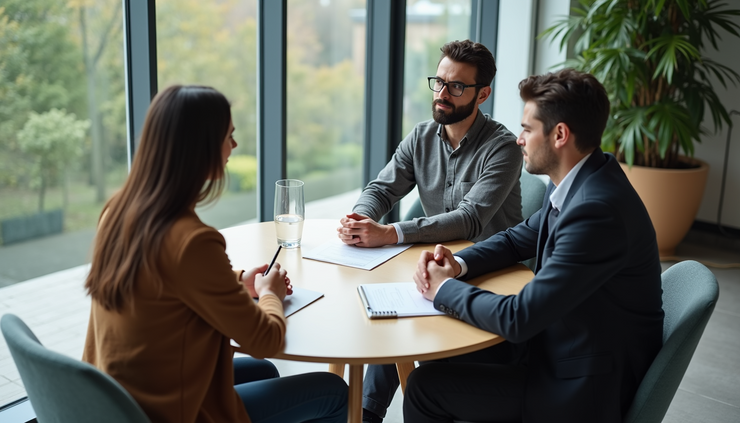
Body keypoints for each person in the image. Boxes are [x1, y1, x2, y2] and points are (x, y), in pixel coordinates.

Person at [405, 69, 664, 423]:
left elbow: (519, 318)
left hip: (578, 386)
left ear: (559, 135)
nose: (519, 140)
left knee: (424, 388)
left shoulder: (596, 211)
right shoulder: (587, 180)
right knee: (437, 350)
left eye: (527, 129)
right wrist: (457, 264)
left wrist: (444, 289)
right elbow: (515, 239)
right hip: (561, 347)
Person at [82, 85, 348, 423]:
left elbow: (170, 285)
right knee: (333, 391)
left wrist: (239, 282)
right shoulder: (193, 241)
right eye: (229, 136)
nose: (234, 147)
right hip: (168, 412)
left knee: (262, 371)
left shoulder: (117, 211)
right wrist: (270, 293)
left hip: (116, 400)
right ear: (201, 149)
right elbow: (264, 340)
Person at [337, 39, 522, 251]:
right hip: (436, 260)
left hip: (495, 265)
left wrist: (390, 233)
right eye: (439, 82)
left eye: (457, 87)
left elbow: (469, 219)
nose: (442, 94)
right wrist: (359, 221)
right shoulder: (420, 137)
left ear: (482, 95)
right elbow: (381, 190)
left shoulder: (504, 148)